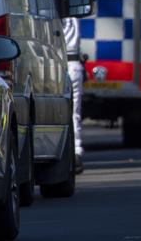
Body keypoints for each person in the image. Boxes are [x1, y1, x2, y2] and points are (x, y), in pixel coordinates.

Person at [63, 17, 85, 174]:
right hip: (75, 63)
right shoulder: (73, 13)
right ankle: (76, 152)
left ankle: (68, 152)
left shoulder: (51, 9)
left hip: (61, 62)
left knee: (62, 112)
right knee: (74, 113)